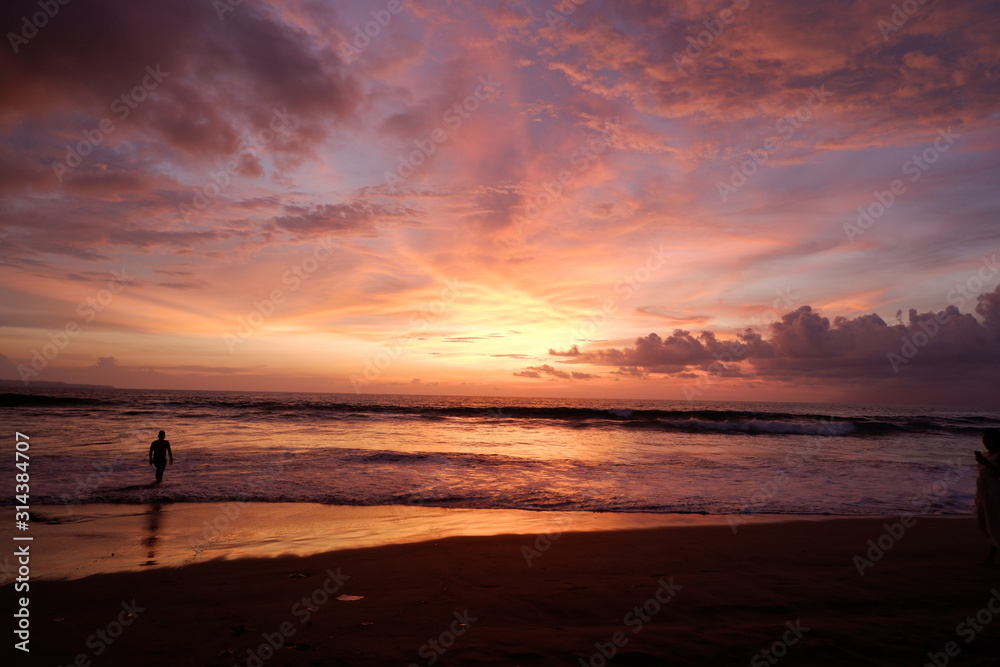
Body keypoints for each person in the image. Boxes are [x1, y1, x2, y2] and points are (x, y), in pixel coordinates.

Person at [974, 429, 1000, 566]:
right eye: (984, 440)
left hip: (995, 495)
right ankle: (991, 556)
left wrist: (986, 463)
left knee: (994, 525)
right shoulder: (985, 455)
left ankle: (990, 557)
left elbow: (998, 473)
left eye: (990, 440)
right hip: (982, 494)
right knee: (983, 525)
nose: (986, 443)